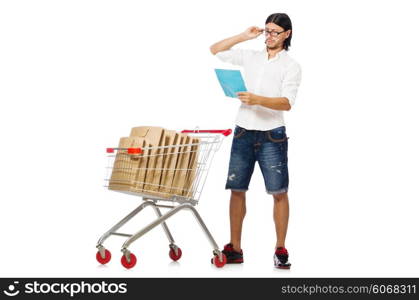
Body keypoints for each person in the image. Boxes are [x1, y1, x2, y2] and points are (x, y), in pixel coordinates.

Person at [210, 13, 302, 269]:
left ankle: (280, 249)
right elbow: (215, 49)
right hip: (243, 132)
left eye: (275, 32)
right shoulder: (251, 56)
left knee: (279, 192)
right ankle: (235, 248)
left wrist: (257, 99)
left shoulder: (291, 65)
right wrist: (243, 36)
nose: (269, 36)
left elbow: (287, 102)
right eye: (267, 31)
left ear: (287, 34)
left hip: (272, 134)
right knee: (236, 190)